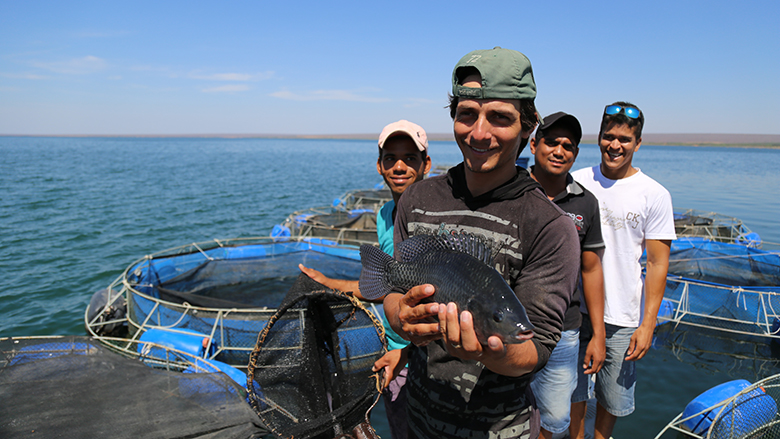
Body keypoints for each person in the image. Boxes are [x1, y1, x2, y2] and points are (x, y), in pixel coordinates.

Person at [382, 47, 581, 439]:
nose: (479, 133)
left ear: (528, 127)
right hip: (419, 418)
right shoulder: (416, 199)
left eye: (500, 118)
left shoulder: (550, 226)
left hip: (501, 429)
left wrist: (490, 351)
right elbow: (392, 288)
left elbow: (534, 348)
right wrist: (397, 315)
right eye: (467, 114)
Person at [299, 119, 432, 439]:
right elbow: (386, 284)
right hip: (394, 350)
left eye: (410, 158)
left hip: (424, 354)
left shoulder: (433, 217)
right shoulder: (385, 214)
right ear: (379, 165)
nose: (399, 166)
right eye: (390, 158)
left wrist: (407, 353)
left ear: (426, 164)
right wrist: (330, 283)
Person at [570, 102, 676, 439]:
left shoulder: (654, 194)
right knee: (573, 392)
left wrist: (648, 323)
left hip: (622, 315)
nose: (615, 145)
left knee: (612, 399)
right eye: (608, 137)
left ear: (638, 143)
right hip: (574, 309)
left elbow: (658, 263)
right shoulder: (576, 181)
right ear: (598, 138)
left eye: (625, 139)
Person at [527, 112, 606, 439]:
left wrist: (598, 334)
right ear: (533, 145)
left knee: (556, 419)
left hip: (564, 330)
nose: (560, 150)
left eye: (568, 146)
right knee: (501, 411)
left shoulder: (585, 203)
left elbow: (591, 269)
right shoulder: (508, 190)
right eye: (551, 142)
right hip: (506, 322)